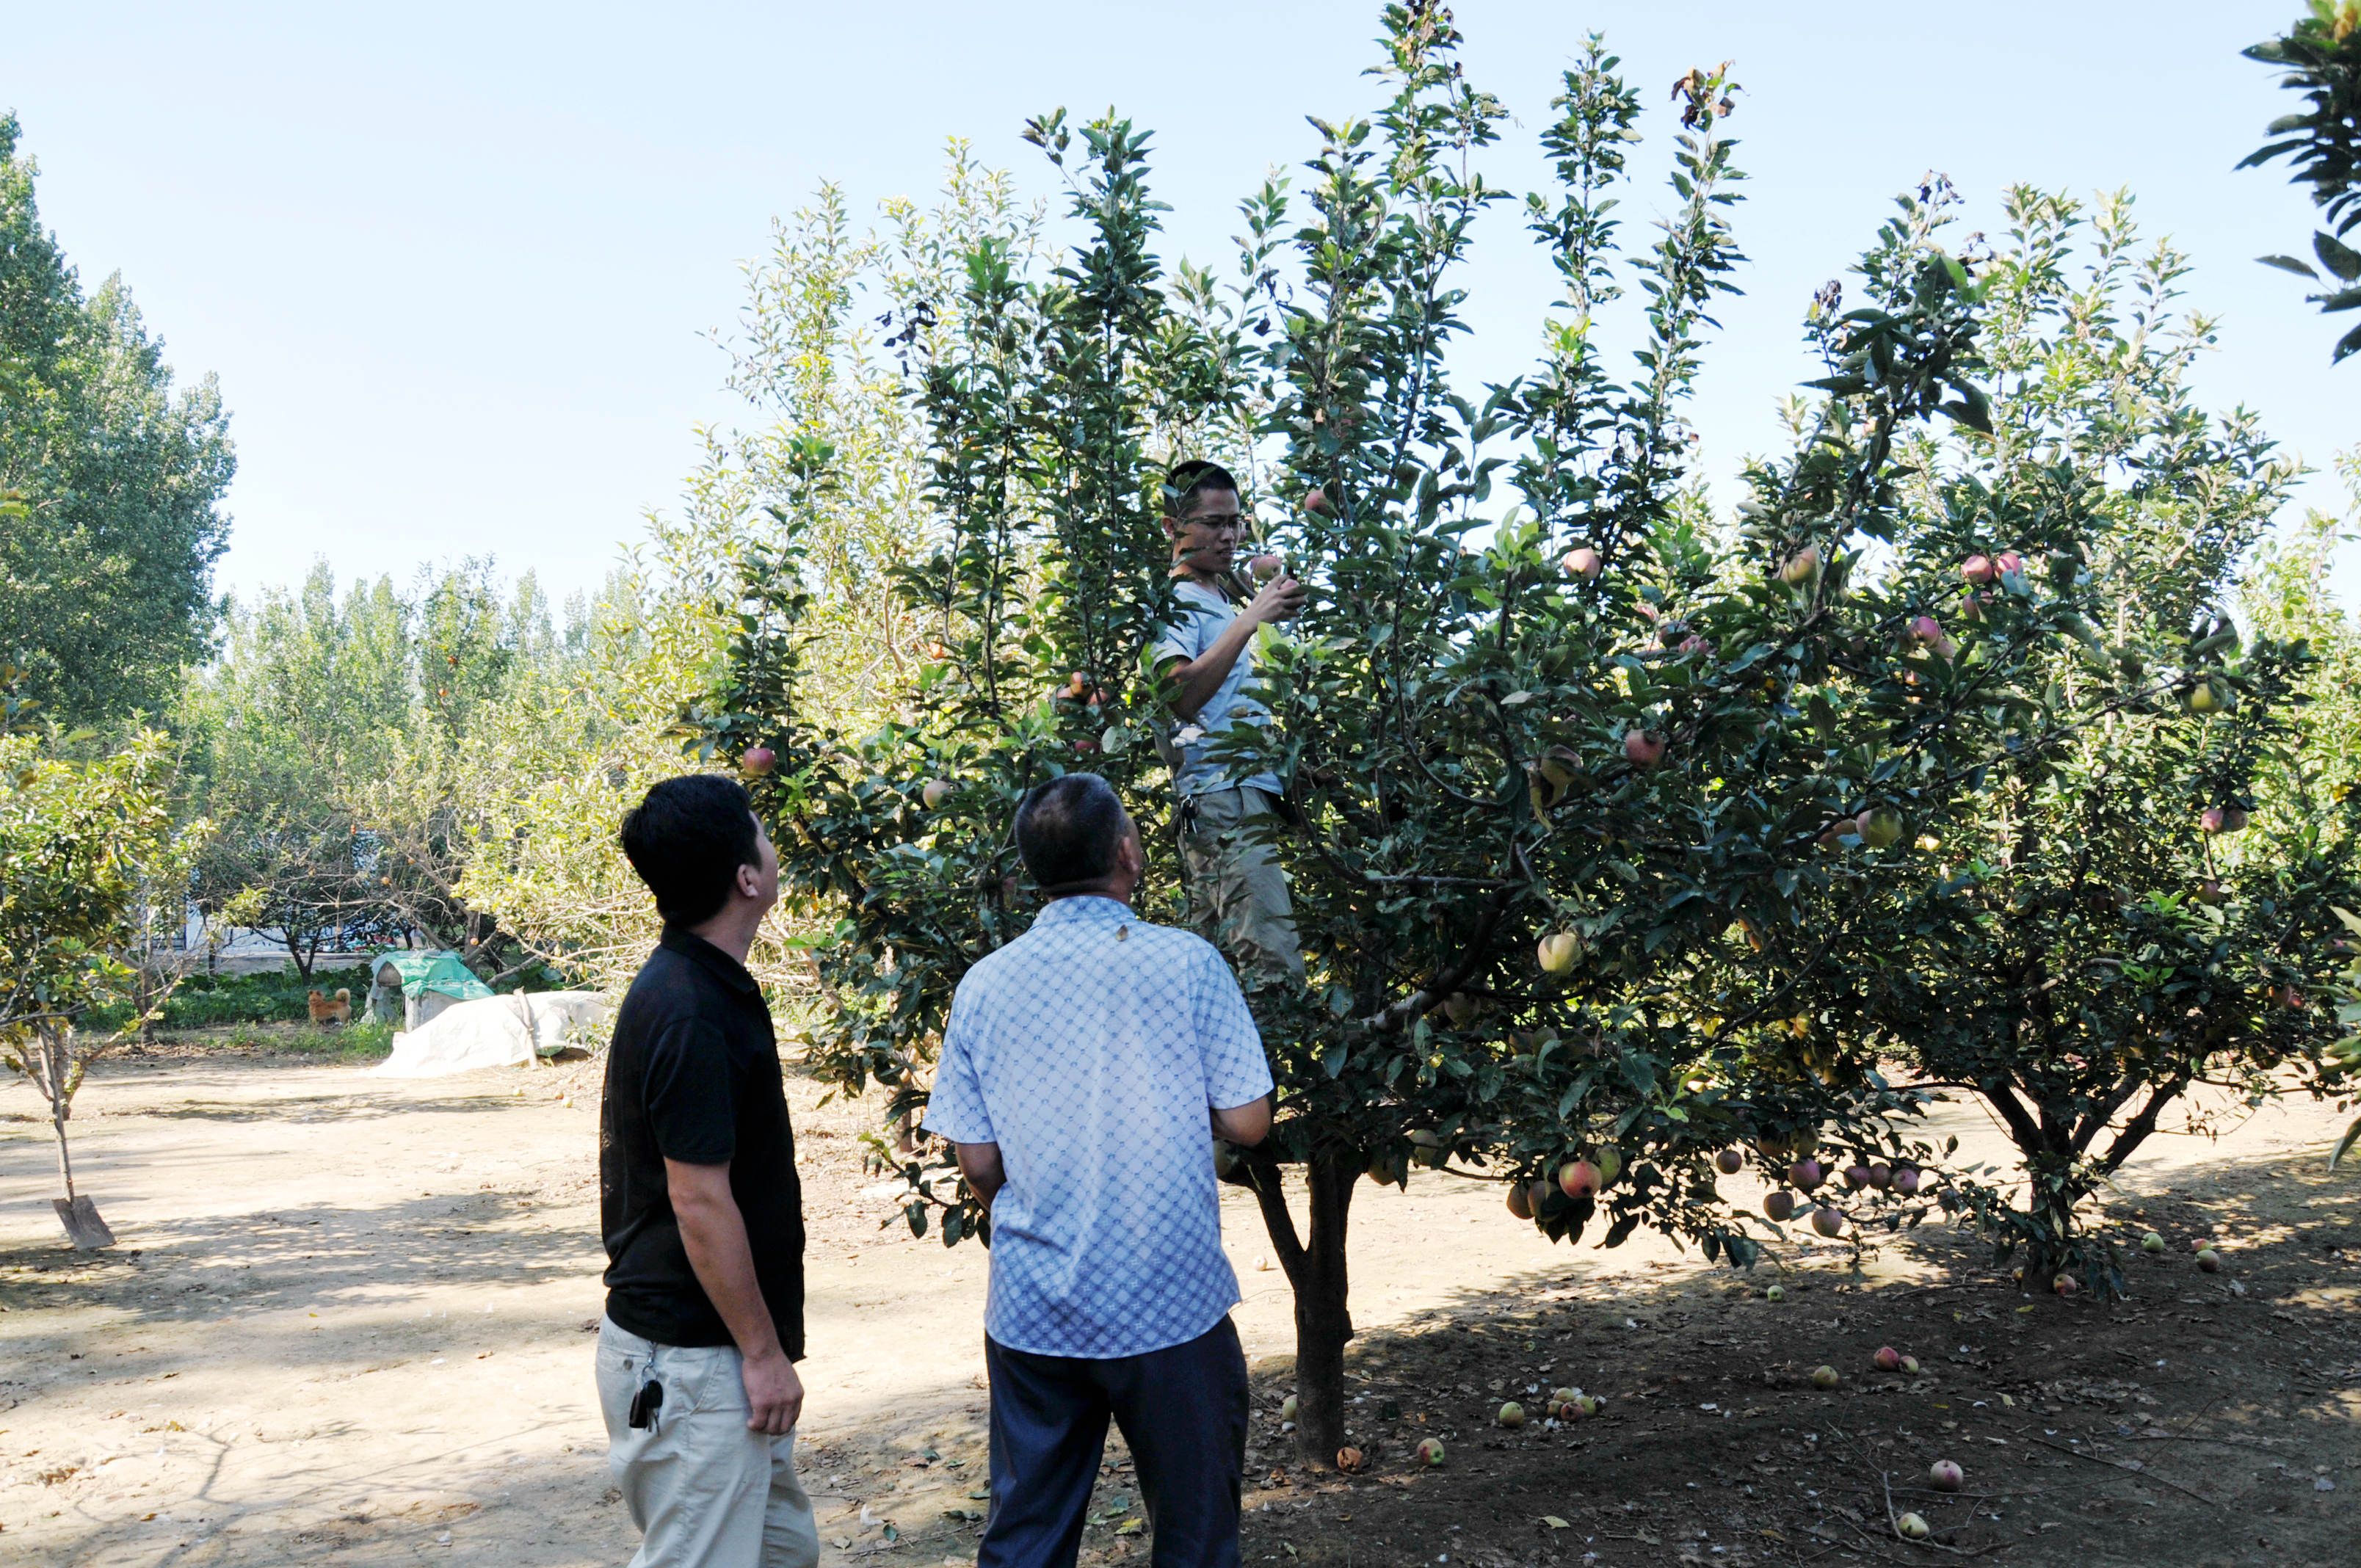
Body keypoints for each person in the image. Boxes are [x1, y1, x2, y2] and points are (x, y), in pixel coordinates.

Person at [924, 773, 1275, 1568]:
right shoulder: (1185, 964)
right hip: (1169, 1303)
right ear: (1126, 851)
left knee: (1027, 1534)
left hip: (1035, 1308)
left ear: (1030, 872)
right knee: (1194, 1536)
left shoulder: (984, 985)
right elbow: (1250, 1120)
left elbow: (976, 1158)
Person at [595, 773, 816, 1568]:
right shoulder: (690, 1007)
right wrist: (762, 1355)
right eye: (760, 828)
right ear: (746, 879)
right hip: (694, 1363)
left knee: (783, 1554)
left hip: (702, 1357)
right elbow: (698, 1201)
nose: (770, 837)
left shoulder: (705, 982)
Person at [1150, 459, 1308, 987]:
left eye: (1236, 522)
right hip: (1223, 800)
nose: (1230, 536)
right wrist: (1250, 619)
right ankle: (1279, 1071)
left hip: (1248, 796)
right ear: (1174, 529)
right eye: (1214, 523)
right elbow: (1181, 694)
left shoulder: (1222, 598)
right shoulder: (1172, 604)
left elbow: (1231, 708)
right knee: (1274, 968)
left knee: (1211, 977)